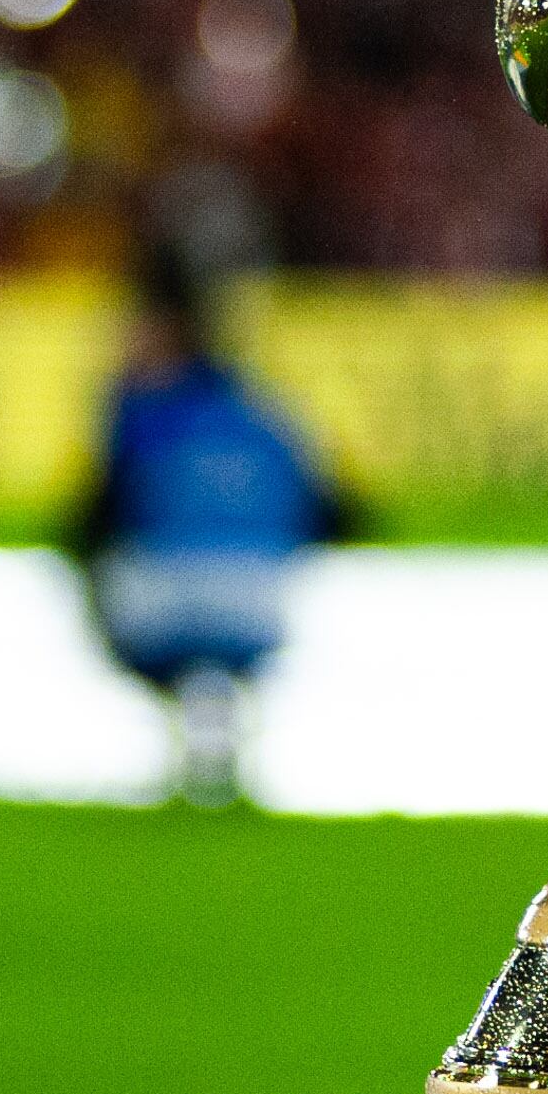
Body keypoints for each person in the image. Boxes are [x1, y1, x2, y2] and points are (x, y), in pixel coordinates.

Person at [70, 248, 357, 804]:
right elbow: (340, 513)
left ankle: (186, 704)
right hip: (261, 608)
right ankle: (220, 706)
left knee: (99, 571)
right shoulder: (266, 410)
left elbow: (93, 517)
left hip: (159, 609)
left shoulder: (139, 413)